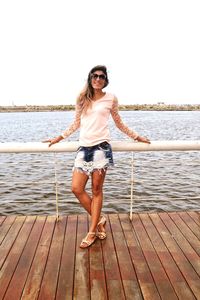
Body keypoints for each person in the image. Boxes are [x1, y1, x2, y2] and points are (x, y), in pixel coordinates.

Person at [45, 65, 150, 249]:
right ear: (90, 78)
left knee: (96, 190)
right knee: (76, 188)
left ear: (105, 79)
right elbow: (76, 123)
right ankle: (100, 220)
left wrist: (137, 137)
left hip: (101, 148)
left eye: (101, 76)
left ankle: (92, 231)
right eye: (95, 76)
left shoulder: (111, 98)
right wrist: (59, 137)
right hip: (83, 148)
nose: (98, 79)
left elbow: (119, 122)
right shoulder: (81, 98)